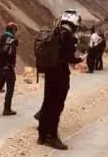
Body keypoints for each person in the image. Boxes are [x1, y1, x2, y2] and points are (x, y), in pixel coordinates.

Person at [37, 11, 84, 150]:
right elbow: (69, 58)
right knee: (57, 106)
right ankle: (52, 136)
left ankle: (41, 135)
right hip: (60, 75)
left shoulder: (54, 33)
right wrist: (80, 59)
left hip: (49, 73)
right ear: (74, 23)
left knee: (47, 102)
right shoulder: (69, 37)